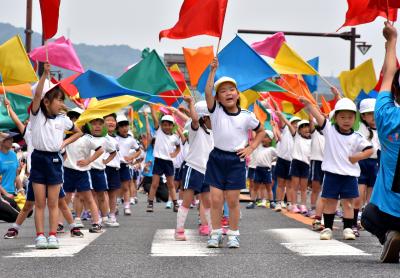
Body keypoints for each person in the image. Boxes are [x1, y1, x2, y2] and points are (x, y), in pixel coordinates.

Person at [204, 57, 264, 248]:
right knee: (215, 199)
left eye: (231, 90)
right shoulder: (215, 111)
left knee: (232, 200)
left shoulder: (247, 116)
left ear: (238, 94)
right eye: (222, 91)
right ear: (218, 97)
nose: (228, 93)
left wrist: (250, 147)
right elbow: (207, 92)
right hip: (217, 158)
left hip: (236, 160)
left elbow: (261, 131)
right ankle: (215, 233)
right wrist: (213, 71)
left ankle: (233, 233)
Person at [301, 96, 373, 241]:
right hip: (332, 175)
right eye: (342, 117)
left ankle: (347, 228)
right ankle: (327, 228)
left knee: (348, 203)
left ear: (355, 119)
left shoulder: (357, 136)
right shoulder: (329, 129)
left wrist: (357, 157)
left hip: (349, 176)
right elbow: (318, 116)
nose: (346, 120)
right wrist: (309, 105)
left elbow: (369, 150)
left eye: (350, 117)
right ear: (336, 118)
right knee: (331, 202)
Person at [29, 63, 82, 249]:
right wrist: (45, 74)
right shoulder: (37, 115)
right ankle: (40, 236)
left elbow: (79, 132)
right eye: (58, 100)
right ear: (46, 101)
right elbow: (36, 95)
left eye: (62, 100)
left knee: (53, 203)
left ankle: (52, 235)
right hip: (38, 159)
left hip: (54, 160)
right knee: (39, 203)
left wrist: (64, 143)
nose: (61, 104)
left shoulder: (63, 119)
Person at [361, 22, 400, 263]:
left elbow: (388, 74)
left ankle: (389, 235)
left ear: (395, 93)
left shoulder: (385, 116)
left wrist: (391, 42)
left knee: (367, 217)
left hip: (390, 212)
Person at [175, 98, 213, 241]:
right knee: (187, 200)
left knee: (208, 201)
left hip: (206, 171)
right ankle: (179, 231)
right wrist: (191, 104)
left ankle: (210, 228)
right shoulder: (194, 128)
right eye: (211, 117)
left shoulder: (211, 131)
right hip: (193, 168)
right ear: (204, 118)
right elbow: (195, 120)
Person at [352, 98, 380, 237]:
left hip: (376, 164)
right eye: (369, 113)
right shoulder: (359, 127)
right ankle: (353, 223)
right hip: (361, 163)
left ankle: (367, 222)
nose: (373, 116)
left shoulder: (382, 126)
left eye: (375, 113)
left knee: (372, 198)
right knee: (358, 195)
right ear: (362, 115)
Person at [146, 106, 181, 213]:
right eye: (164, 125)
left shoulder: (175, 137)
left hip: (169, 162)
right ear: (161, 125)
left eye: (169, 125)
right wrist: (152, 108)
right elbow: (155, 118)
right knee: (154, 184)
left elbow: (179, 146)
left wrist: (175, 153)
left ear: (172, 126)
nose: (167, 127)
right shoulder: (159, 131)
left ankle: (175, 203)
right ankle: (150, 203)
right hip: (158, 161)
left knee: (171, 184)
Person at [86, 118, 117, 225]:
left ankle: (104, 217)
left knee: (102, 195)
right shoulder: (86, 138)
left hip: (100, 170)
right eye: (94, 124)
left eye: (100, 124)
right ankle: (95, 217)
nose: (97, 126)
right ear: (89, 126)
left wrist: (106, 161)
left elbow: (113, 152)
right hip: (88, 170)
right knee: (91, 195)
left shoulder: (105, 140)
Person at [274, 113, 301, 212]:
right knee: (280, 183)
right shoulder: (285, 129)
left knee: (290, 185)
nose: (296, 125)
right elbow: (281, 118)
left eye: (298, 124)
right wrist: (277, 109)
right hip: (282, 159)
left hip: (292, 162)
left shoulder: (299, 135)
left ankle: (289, 203)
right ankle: (278, 203)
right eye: (294, 123)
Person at [116, 114, 141, 215]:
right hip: (115, 166)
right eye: (121, 126)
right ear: (117, 128)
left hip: (125, 166)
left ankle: (127, 206)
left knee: (126, 187)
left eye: (126, 126)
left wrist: (131, 157)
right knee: (116, 187)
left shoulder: (131, 139)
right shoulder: (114, 137)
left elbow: (138, 151)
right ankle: (116, 205)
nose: (124, 128)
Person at [285, 118, 311, 214]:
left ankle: (303, 205)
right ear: (299, 130)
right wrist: (279, 113)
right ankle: (294, 205)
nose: (306, 129)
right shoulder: (296, 137)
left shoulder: (313, 139)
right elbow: (288, 124)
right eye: (303, 127)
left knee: (304, 188)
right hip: (296, 163)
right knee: (294, 186)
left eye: (307, 126)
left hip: (306, 165)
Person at [103, 113, 122, 227]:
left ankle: (112, 215)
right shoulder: (102, 136)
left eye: (113, 120)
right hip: (104, 167)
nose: (111, 122)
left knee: (113, 193)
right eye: (108, 120)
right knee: (103, 192)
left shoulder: (117, 137)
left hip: (115, 168)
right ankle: (104, 215)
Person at [252, 130, 277, 208]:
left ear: (270, 140)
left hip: (267, 170)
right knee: (255, 187)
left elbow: (279, 156)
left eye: (266, 137)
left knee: (268, 187)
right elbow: (255, 135)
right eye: (263, 136)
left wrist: (271, 160)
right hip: (258, 169)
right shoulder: (258, 146)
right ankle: (252, 202)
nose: (263, 138)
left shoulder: (272, 149)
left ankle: (271, 202)